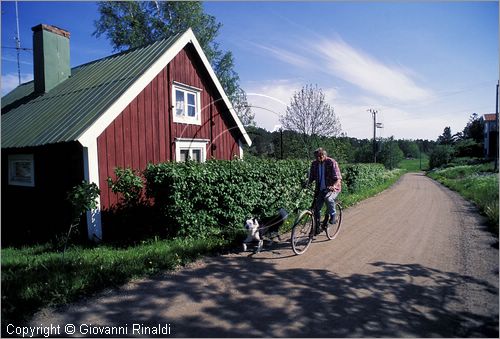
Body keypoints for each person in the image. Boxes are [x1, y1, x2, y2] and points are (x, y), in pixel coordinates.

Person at [307, 147, 342, 232]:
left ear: (324, 155)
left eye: (319, 156)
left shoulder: (331, 162)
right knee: (316, 209)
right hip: (320, 189)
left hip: (332, 189)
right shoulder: (314, 164)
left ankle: (333, 215)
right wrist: (307, 182)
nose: (318, 159)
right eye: (316, 157)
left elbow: (338, 178)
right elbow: (311, 177)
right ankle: (317, 227)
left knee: (328, 198)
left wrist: (333, 186)